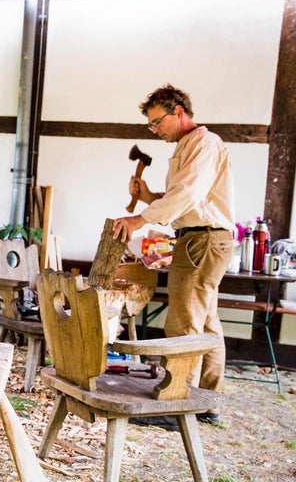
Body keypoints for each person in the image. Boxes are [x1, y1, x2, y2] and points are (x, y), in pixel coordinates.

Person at [112, 84, 235, 425]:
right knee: (206, 324)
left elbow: (189, 194)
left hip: (202, 241)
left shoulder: (203, 143)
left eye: (157, 122)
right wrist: (150, 196)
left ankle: (177, 404)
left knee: (183, 325)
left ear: (178, 111)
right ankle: (208, 402)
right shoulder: (190, 146)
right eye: (150, 126)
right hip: (203, 238)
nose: (155, 130)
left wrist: (139, 218)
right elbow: (186, 197)